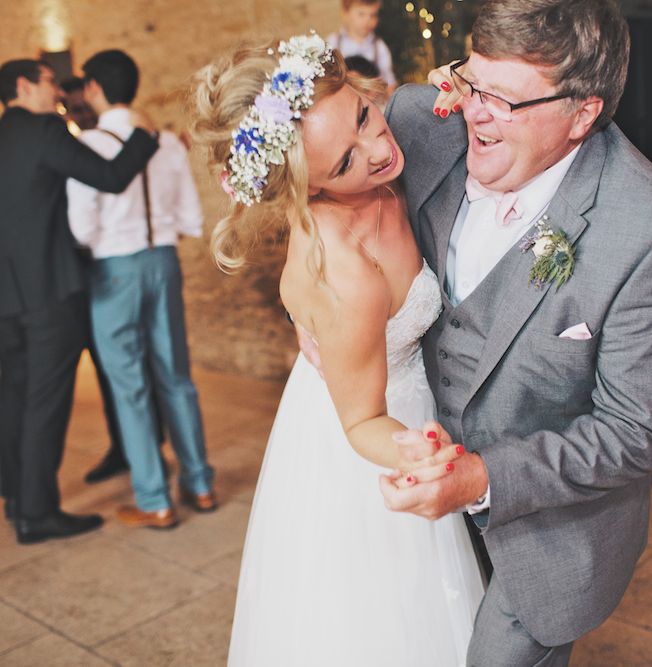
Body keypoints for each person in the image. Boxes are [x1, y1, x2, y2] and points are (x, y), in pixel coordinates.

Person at [378, 1, 652, 665]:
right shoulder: (416, 121)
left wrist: (478, 479)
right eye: (471, 82)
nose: (474, 112)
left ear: (582, 111)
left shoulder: (650, 228)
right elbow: (316, 180)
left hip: (549, 533)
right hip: (406, 491)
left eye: (503, 99)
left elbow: (634, 429)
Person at [191, 34, 483, 666]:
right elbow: (360, 420)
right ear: (310, 190)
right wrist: (420, 451)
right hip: (375, 431)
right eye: (345, 164)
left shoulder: (397, 129)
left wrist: (466, 82)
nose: (380, 148)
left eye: (362, 115)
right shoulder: (343, 273)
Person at [0, 58, 159, 544]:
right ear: (25, 86)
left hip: (5, 297)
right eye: (49, 81)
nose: (58, 91)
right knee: (45, 404)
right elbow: (109, 176)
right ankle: (38, 513)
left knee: (12, 399)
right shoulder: (45, 131)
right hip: (49, 293)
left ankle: (15, 497)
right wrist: (146, 139)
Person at [66, 50, 215, 529]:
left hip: (113, 270)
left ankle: (155, 498)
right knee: (176, 377)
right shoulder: (166, 143)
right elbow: (192, 218)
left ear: (92, 88)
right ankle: (200, 484)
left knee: (129, 385)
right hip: (163, 263)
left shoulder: (87, 143)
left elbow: (80, 229)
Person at [326, 0, 397, 96]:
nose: (368, 20)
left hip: (371, 101)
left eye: (373, 15)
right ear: (345, 13)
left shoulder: (379, 47)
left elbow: (389, 83)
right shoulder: (333, 42)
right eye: (361, 14)